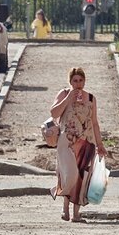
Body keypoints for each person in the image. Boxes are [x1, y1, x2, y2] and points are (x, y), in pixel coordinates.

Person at [49, 67, 107, 222]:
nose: (78, 84)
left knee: (82, 177)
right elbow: (54, 113)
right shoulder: (63, 94)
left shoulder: (91, 99)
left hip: (87, 142)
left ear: (85, 81)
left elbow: (94, 123)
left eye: (81, 80)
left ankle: (75, 214)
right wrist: (68, 99)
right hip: (67, 141)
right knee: (70, 174)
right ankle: (63, 205)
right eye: (75, 80)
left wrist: (100, 144)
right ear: (70, 81)